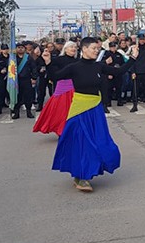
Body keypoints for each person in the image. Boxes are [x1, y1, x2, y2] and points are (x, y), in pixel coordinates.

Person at [44, 37, 139, 192]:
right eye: (94, 48)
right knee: (83, 143)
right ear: (84, 49)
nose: (97, 51)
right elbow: (55, 76)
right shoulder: (74, 67)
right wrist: (47, 62)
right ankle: (82, 177)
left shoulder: (98, 66)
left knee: (100, 142)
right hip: (79, 111)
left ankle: (86, 172)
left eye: (98, 48)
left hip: (95, 109)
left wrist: (133, 57)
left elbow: (119, 71)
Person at [33, 41, 79, 136]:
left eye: (75, 47)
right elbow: (52, 74)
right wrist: (47, 60)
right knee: (60, 111)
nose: (73, 49)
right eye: (71, 47)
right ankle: (61, 130)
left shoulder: (78, 61)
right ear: (65, 49)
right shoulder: (58, 59)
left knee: (74, 112)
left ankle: (72, 130)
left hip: (76, 89)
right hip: (62, 88)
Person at [11, 42, 39, 120]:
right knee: (17, 97)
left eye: (22, 47)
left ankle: (28, 112)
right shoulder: (13, 58)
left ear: (25, 49)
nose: (20, 49)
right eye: (18, 47)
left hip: (26, 80)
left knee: (28, 97)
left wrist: (34, 78)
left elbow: (34, 68)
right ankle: (16, 112)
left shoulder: (28, 57)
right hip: (16, 80)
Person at [0, 44, 10, 115]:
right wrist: (0, 70)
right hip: (1, 77)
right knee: (0, 93)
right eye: (4, 49)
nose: (5, 50)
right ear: (1, 50)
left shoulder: (11, 57)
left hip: (10, 77)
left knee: (9, 93)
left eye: (6, 49)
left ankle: (11, 107)